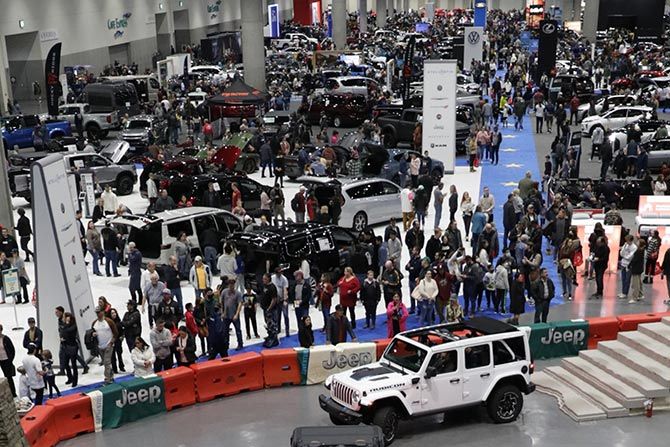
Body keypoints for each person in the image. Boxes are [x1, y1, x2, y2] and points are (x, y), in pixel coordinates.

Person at [92, 306, 118, 384]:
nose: (98, 314)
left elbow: (116, 333)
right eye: (96, 313)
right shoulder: (94, 323)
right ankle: (111, 375)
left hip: (108, 345)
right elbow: (92, 332)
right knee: (105, 363)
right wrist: (93, 334)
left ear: (103, 312)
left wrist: (111, 342)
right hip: (100, 346)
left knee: (107, 362)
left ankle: (107, 379)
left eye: (99, 312)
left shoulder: (109, 321)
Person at [221, 278, 244, 351]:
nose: (231, 286)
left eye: (232, 285)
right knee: (225, 331)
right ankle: (226, 344)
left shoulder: (238, 293)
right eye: (230, 285)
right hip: (226, 315)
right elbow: (221, 302)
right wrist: (222, 312)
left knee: (238, 330)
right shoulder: (224, 292)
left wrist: (237, 314)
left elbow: (240, 304)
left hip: (234, 315)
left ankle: (240, 344)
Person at [59, 312, 80, 387]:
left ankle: (75, 380)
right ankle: (70, 377)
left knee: (73, 364)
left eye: (64, 317)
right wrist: (61, 338)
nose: (63, 319)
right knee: (65, 363)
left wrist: (67, 323)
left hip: (72, 346)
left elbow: (67, 331)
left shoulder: (73, 326)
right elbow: (62, 332)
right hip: (65, 346)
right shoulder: (64, 325)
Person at [260, 273, 279, 348]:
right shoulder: (265, 286)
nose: (263, 280)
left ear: (268, 279)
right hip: (265, 308)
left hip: (271, 310)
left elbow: (274, 299)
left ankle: (274, 339)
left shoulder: (272, 287)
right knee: (268, 324)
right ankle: (270, 336)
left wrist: (269, 308)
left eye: (265, 279)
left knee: (272, 324)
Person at [271, 268, 290, 337]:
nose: (279, 274)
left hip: (283, 299)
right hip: (276, 300)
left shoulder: (284, 279)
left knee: (286, 315)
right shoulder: (272, 278)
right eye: (278, 273)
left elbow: (285, 290)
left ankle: (287, 330)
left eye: (280, 273)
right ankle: (278, 329)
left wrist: (285, 300)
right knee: (277, 316)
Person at [0, 324, 16, 397]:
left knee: (9, 377)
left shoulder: (6, 338)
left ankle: (13, 393)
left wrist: (10, 360)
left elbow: (12, 350)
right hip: (1, 361)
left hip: (7, 360)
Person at [628, 239, 646, 304]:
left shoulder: (638, 251)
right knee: (639, 282)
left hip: (636, 268)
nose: (637, 242)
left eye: (638, 242)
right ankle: (640, 295)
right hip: (639, 268)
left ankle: (634, 297)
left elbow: (634, 260)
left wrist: (629, 265)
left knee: (636, 284)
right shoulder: (642, 250)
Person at [109, 308, 125, 374]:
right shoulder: (109, 323)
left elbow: (122, 330)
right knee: (113, 356)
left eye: (114, 312)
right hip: (112, 340)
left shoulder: (119, 321)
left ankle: (121, 366)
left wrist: (122, 336)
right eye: (112, 313)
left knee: (119, 354)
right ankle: (114, 368)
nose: (114, 314)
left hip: (118, 340)